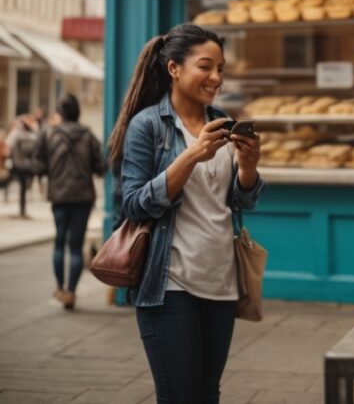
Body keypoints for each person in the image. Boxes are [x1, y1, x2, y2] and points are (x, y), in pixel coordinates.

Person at [107, 24, 265, 404]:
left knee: (207, 395)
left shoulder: (223, 122)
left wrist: (249, 166)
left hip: (221, 280)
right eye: (206, 67)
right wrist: (192, 155)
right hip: (168, 283)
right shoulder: (148, 126)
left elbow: (241, 202)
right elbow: (132, 203)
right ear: (175, 68)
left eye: (221, 69)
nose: (216, 78)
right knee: (180, 395)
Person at [32, 94, 105, 309]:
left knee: (59, 242)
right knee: (75, 247)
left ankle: (60, 287)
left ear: (60, 112)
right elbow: (100, 166)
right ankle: (72, 292)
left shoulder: (49, 134)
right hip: (83, 196)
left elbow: (38, 164)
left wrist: (50, 172)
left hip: (59, 195)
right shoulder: (88, 135)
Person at [6, 114, 40, 218]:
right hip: (22, 164)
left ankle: (22, 210)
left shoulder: (26, 133)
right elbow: (8, 145)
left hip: (22, 164)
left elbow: (8, 144)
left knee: (24, 186)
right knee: (21, 185)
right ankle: (22, 210)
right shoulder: (21, 133)